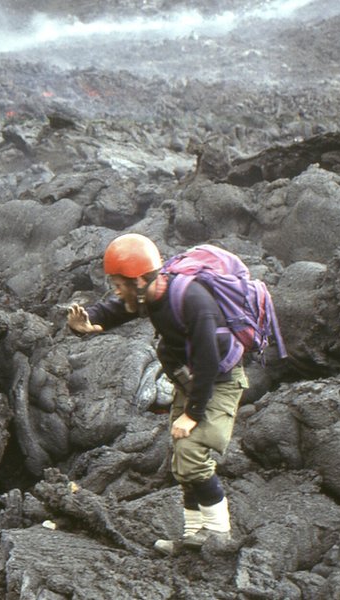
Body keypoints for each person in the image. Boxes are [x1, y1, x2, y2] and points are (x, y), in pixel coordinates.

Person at [67, 233, 248, 555]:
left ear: (138, 280)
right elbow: (117, 309)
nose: (116, 290)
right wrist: (89, 320)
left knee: (192, 454)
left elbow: (208, 362)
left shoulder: (193, 300)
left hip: (219, 379)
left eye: (119, 284)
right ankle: (193, 537)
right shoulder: (149, 294)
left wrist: (192, 414)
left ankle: (219, 536)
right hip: (191, 378)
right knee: (181, 455)